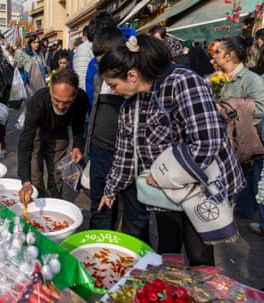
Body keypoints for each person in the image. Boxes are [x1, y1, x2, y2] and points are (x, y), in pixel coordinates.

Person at [98, 35, 245, 266]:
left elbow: (206, 143)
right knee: (167, 248)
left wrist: (163, 174)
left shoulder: (182, 81)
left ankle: (201, 298)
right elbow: (126, 155)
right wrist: (111, 189)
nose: (113, 91)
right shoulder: (130, 106)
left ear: (132, 75)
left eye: (114, 85)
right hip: (166, 190)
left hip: (202, 184)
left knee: (199, 254)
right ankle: (170, 297)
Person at [83, 28, 150, 243]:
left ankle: (137, 259)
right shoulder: (99, 76)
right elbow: (94, 110)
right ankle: (99, 250)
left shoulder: (138, 85)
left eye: (106, 60)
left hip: (133, 157)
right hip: (101, 149)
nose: (101, 66)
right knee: (101, 205)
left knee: (135, 213)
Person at [213, 36, 264, 237]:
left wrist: (227, 108)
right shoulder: (215, 77)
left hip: (238, 143)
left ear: (229, 55)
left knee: (233, 183)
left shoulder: (251, 80)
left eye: (217, 52)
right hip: (217, 140)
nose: (214, 55)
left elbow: (260, 108)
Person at [18, 68, 89, 200]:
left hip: (60, 133)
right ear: (50, 90)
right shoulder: (38, 101)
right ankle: (37, 201)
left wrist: (77, 146)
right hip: (38, 132)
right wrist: (25, 180)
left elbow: (78, 125)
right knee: (35, 171)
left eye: (67, 102)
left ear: (75, 95)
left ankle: (53, 202)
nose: (61, 106)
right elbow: (25, 140)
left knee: (56, 173)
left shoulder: (81, 99)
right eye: (56, 100)